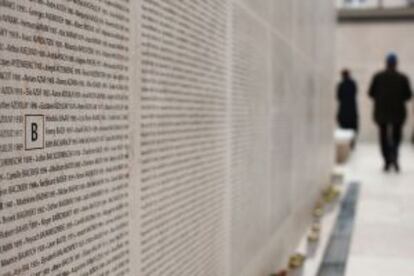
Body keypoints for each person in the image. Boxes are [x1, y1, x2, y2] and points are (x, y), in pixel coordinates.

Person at [368, 53, 412, 172]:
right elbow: (408, 96)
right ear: (396, 63)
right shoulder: (403, 78)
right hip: (398, 113)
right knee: (396, 137)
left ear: (386, 63)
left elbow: (370, 93)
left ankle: (387, 160)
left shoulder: (378, 77)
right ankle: (394, 157)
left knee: (383, 137)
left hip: (382, 113)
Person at [337, 69, 359, 148]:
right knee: (353, 128)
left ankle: (346, 144)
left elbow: (338, 97)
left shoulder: (341, 85)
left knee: (344, 128)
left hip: (343, 110)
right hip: (352, 110)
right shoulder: (353, 84)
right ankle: (351, 144)